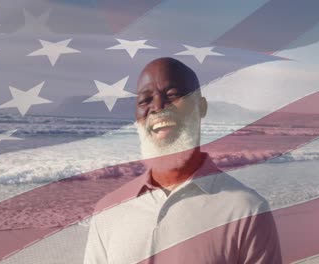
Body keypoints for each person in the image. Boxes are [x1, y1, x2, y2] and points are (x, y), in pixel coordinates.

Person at [83, 57, 282, 264]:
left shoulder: (246, 210)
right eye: (145, 100)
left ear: (201, 106)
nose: (158, 106)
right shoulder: (108, 210)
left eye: (172, 95)